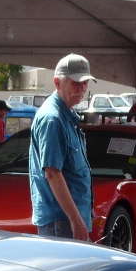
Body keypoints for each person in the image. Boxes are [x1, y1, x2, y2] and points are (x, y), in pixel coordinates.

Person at [28, 53, 96, 240]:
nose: (82, 88)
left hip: (67, 219)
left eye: (85, 83)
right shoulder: (53, 119)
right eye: (76, 82)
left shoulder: (65, 115)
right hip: (61, 221)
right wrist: (75, 219)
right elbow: (52, 174)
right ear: (57, 83)